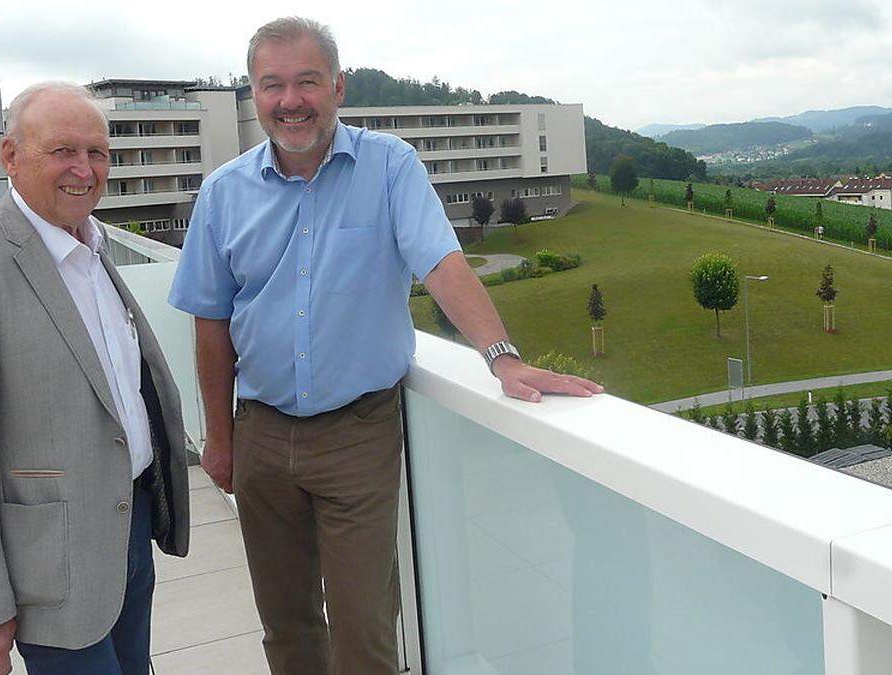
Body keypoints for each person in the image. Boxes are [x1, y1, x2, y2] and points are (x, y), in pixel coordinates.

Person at [168, 16, 602, 675]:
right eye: (272, 85)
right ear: (252, 96)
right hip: (260, 432)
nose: (290, 100)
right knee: (286, 627)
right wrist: (219, 435)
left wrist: (501, 356)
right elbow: (210, 320)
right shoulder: (225, 193)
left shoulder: (390, 166)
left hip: (358, 434)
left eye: (307, 81)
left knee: (365, 633)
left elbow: (442, 264)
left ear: (338, 87)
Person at [0, 82, 190, 675]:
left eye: (96, 152)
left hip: (129, 527)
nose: (83, 169)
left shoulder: (93, 252)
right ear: (11, 157)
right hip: (50, 563)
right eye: (62, 151)